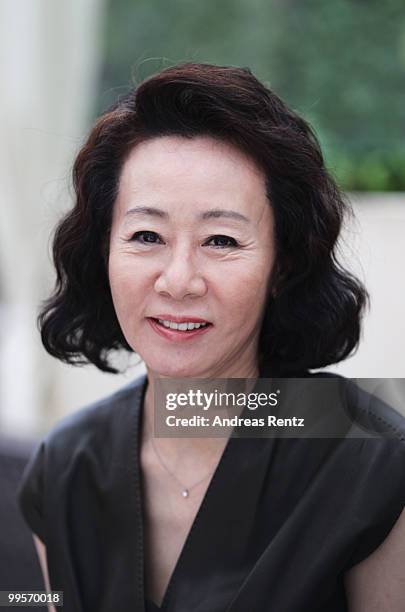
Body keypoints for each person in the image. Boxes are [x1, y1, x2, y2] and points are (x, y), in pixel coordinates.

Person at [17, 62, 405, 612]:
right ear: (103, 251)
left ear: (284, 264)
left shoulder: (376, 463)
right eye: (146, 235)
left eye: (221, 240)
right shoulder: (64, 469)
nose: (178, 280)